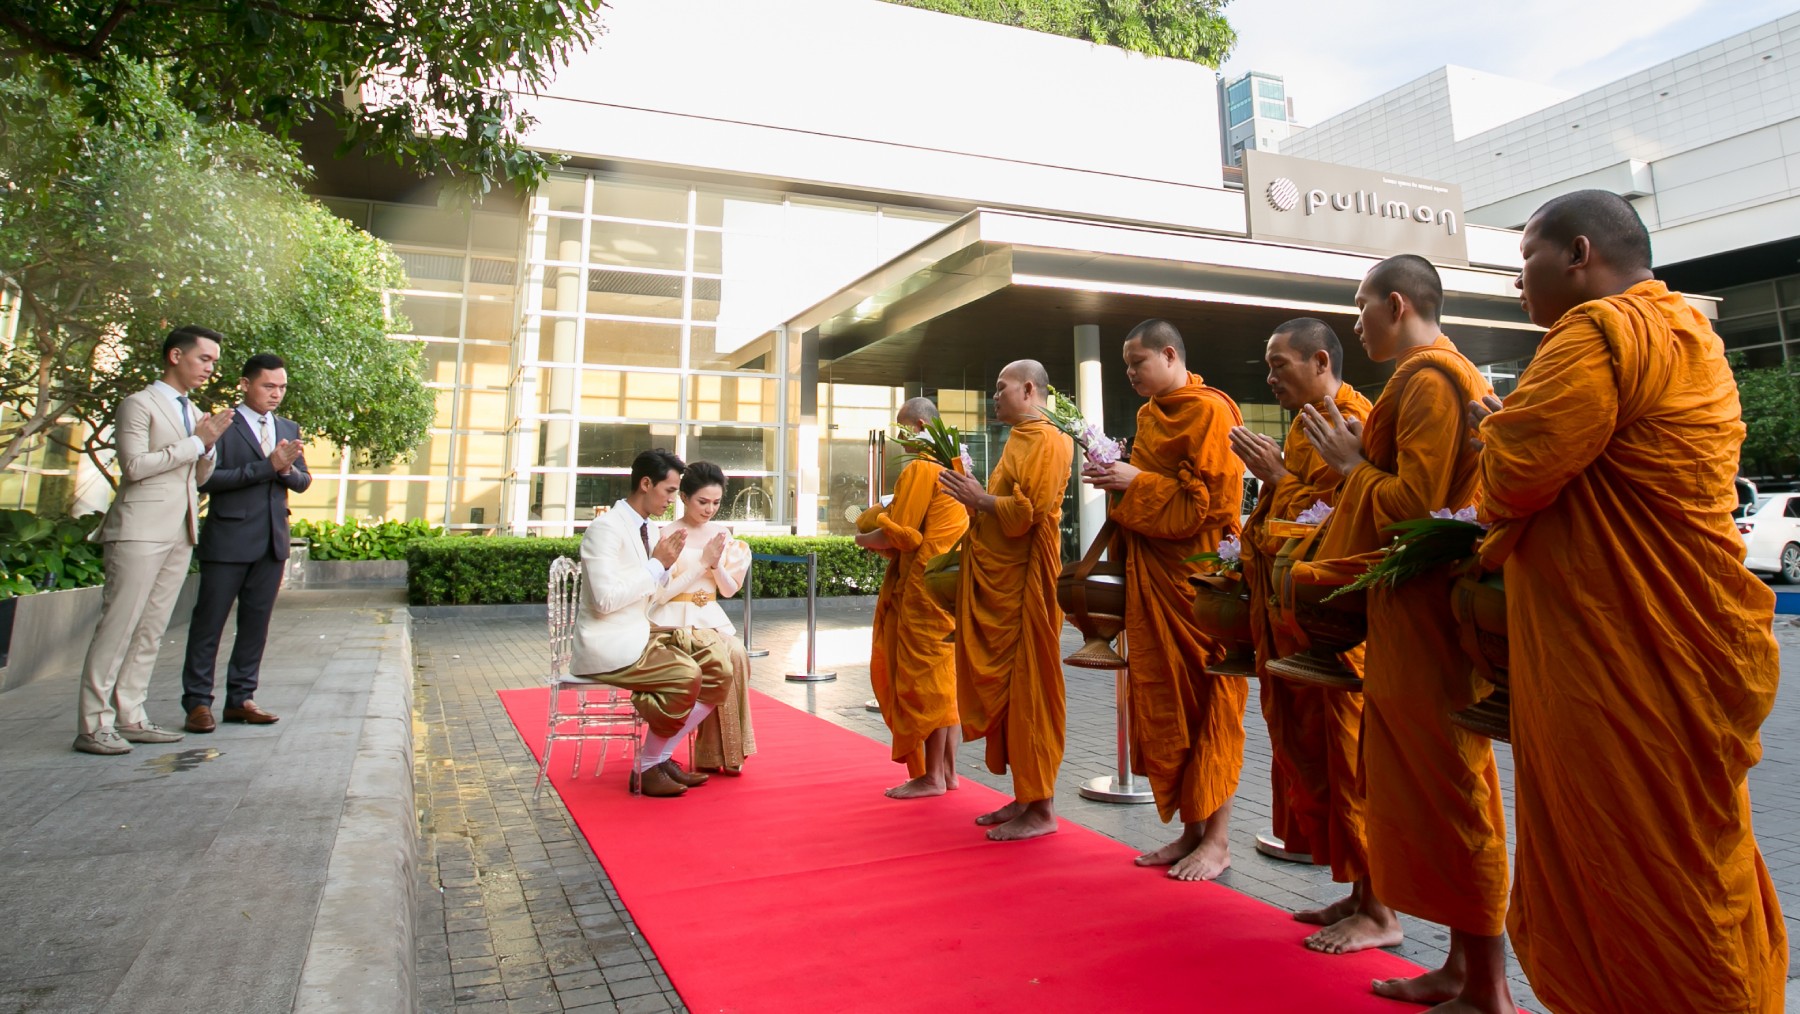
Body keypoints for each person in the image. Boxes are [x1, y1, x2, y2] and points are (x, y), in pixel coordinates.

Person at [1473, 190, 1786, 1013]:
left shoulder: (1597, 333)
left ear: (1579, 254)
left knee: (1630, 857)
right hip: (1688, 638)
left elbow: (1516, 477)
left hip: (1623, 656)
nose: (1517, 284)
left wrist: (1496, 434)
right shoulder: (1694, 336)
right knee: (1692, 848)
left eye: (1526, 260)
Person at [1297, 255, 1510, 1013]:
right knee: (1440, 787)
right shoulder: (1435, 379)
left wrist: (1355, 466)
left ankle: (1486, 987)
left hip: (1426, 615)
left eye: (1360, 307)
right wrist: (1353, 465)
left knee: (1453, 793)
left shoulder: (1427, 380)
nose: (1356, 322)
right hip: (1415, 610)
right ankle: (1460, 968)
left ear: (1396, 304)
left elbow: (1416, 503)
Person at [1229, 319, 1398, 954]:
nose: (1270, 378)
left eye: (1280, 365)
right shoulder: (1306, 424)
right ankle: (1358, 892)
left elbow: (1345, 515)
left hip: (1337, 624)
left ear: (1320, 360)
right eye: (1268, 367)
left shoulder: (1353, 419)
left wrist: (1276, 480)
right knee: (1317, 759)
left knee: (1354, 760)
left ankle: (1383, 909)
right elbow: (1295, 510)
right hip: (1295, 618)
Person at [1082, 320, 1246, 881]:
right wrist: (1118, 480)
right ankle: (1190, 832)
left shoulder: (1210, 412)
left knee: (1208, 706)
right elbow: (1153, 494)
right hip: (1156, 580)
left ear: (1170, 353)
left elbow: (1216, 503)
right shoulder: (1152, 416)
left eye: (1137, 363)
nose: (1130, 374)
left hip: (1199, 585)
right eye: (1125, 366)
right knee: (1167, 706)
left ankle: (1219, 840)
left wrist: (1134, 483)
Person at [74, 326, 235, 755]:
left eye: (214, 362)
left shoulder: (194, 412)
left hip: (180, 531)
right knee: (118, 627)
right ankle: (93, 724)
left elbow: (197, 478)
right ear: (175, 355)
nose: (210, 368)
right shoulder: (138, 404)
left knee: (150, 631)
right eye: (205, 359)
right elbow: (134, 466)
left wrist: (207, 449)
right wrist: (196, 442)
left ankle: (131, 714)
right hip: (138, 531)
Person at [940, 360, 1073, 841]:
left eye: (1001, 388)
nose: (993, 396)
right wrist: (976, 501)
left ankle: (1043, 810)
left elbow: (1024, 517)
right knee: (1015, 698)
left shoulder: (1048, 439)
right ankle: (1026, 796)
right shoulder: (1022, 436)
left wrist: (979, 500)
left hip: (1025, 588)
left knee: (1032, 693)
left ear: (1030, 388)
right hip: (1002, 582)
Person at [570, 449, 733, 798]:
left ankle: (658, 757)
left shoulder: (647, 528)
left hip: (642, 628)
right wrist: (656, 564)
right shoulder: (605, 529)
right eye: (670, 491)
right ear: (646, 484)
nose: (674, 499)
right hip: (610, 639)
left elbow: (657, 593)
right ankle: (646, 767)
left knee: (719, 667)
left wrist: (693, 565)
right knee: (686, 675)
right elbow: (604, 600)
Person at [178, 353, 311, 733]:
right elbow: (207, 480)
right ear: (245, 384)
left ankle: (241, 698)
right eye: (269, 386)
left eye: (282, 387)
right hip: (228, 539)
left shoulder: (288, 425)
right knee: (209, 623)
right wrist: (265, 467)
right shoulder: (223, 424)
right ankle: (198, 703)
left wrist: (285, 470)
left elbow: (302, 482)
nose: (276, 394)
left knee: (256, 625)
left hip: (272, 541)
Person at [855, 397, 969, 798]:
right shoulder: (954, 466)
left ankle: (931, 777)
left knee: (927, 683)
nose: (898, 438)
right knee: (945, 679)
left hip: (924, 588)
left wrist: (863, 534)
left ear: (919, 426)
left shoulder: (921, 467)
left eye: (901, 429)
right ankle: (949, 773)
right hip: (949, 584)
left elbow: (903, 534)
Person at [648, 461, 756, 774]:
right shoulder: (665, 534)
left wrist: (715, 564)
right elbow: (659, 595)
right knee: (728, 655)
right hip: (671, 621)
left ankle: (725, 752)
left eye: (716, 503)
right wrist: (702, 563)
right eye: (702, 502)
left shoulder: (722, 534)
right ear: (683, 497)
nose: (710, 509)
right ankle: (712, 752)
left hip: (710, 616)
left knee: (736, 653)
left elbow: (729, 589)